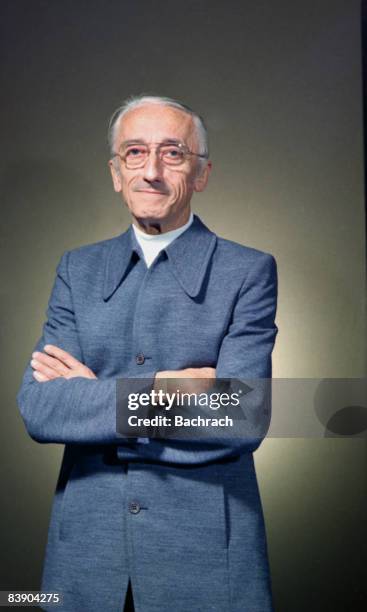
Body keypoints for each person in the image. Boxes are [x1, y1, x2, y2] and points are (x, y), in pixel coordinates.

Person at [17, 95, 278, 612]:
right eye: (134, 153)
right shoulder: (77, 268)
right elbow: (39, 409)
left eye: (173, 154)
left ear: (201, 173)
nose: (151, 171)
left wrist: (94, 404)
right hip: (84, 560)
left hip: (205, 558)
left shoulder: (249, 271)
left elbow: (244, 418)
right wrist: (159, 391)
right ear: (116, 172)